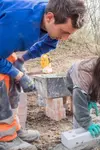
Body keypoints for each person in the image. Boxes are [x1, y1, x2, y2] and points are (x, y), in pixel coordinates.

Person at [0, 0, 86, 149]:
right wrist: (18, 74)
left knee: (13, 78)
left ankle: (12, 128)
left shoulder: (53, 13)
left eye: (69, 34)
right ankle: (5, 137)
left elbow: (46, 43)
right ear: (49, 18)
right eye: (64, 32)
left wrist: (21, 60)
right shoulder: (18, 23)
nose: (65, 38)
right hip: (6, 33)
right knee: (2, 80)